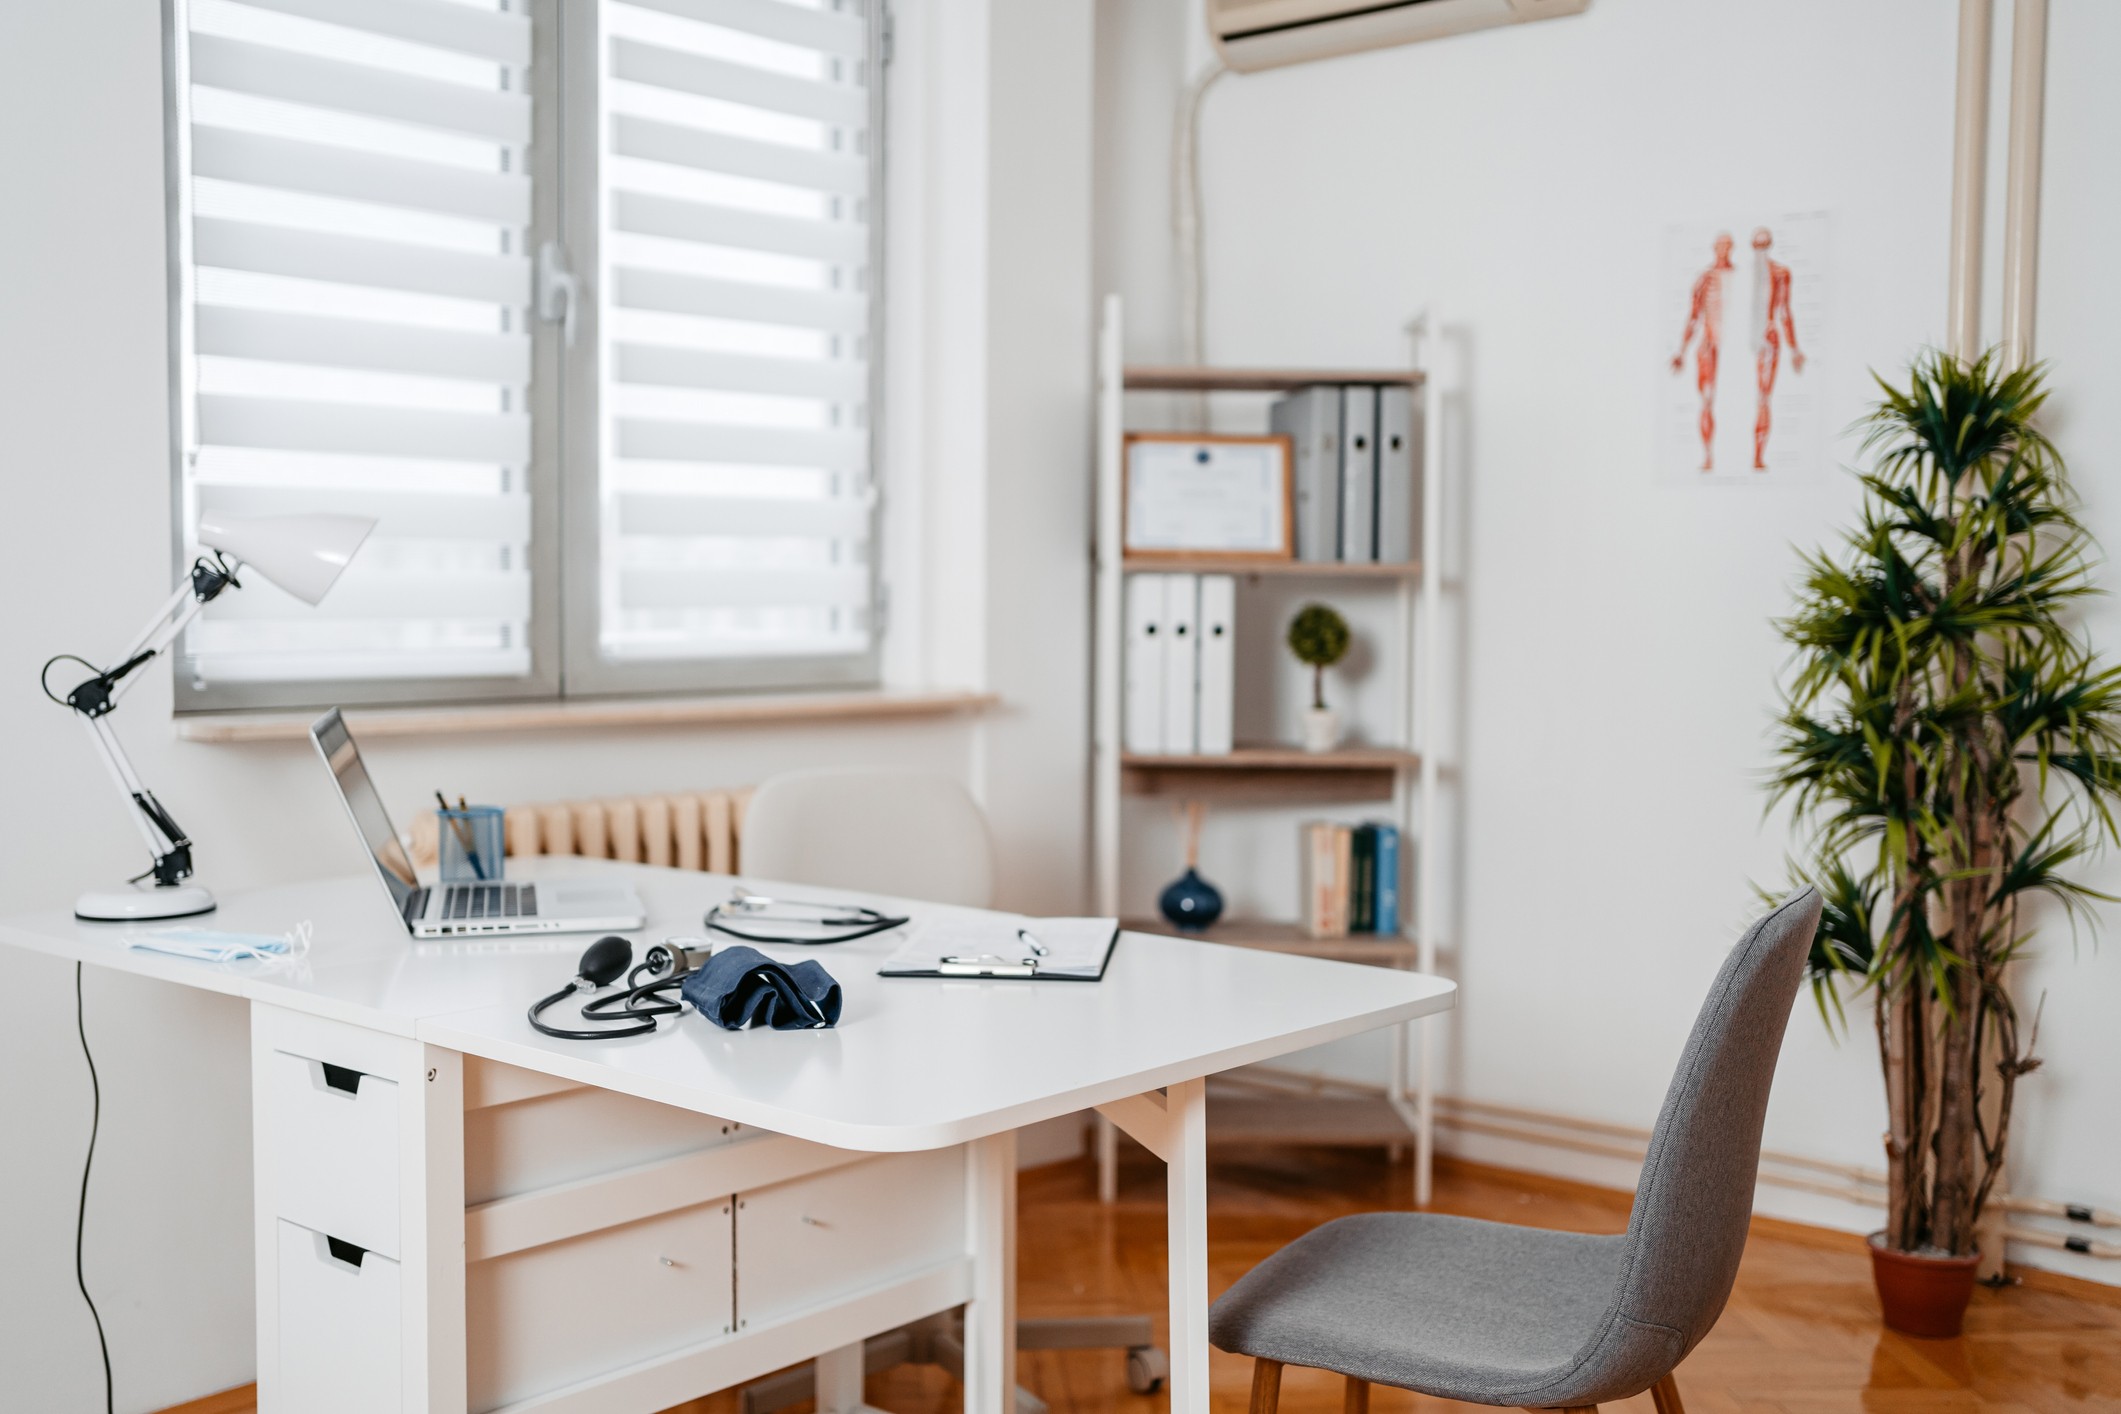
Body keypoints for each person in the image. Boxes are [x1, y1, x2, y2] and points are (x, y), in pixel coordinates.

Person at [1671, 232, 1734, 471]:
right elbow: (1693, 317)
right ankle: (1708, 456)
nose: (1723, 250)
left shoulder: (1741, 276)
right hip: (1708, 346)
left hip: (1734, 348)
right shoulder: (1705, 279)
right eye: (1720, 245)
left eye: (1727, 246)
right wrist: (1681, 351)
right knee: (1707, 401)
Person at [1749, 226, 1805, 470]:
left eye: (1764, 244)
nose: (1761, 249)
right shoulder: (1738, 275)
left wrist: (1794, 349)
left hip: (1768, 340)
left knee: (1763, 398)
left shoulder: (1780, 272)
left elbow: (1784, 312)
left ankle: (1758, 456)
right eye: (1756, 244)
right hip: (1742, 342)